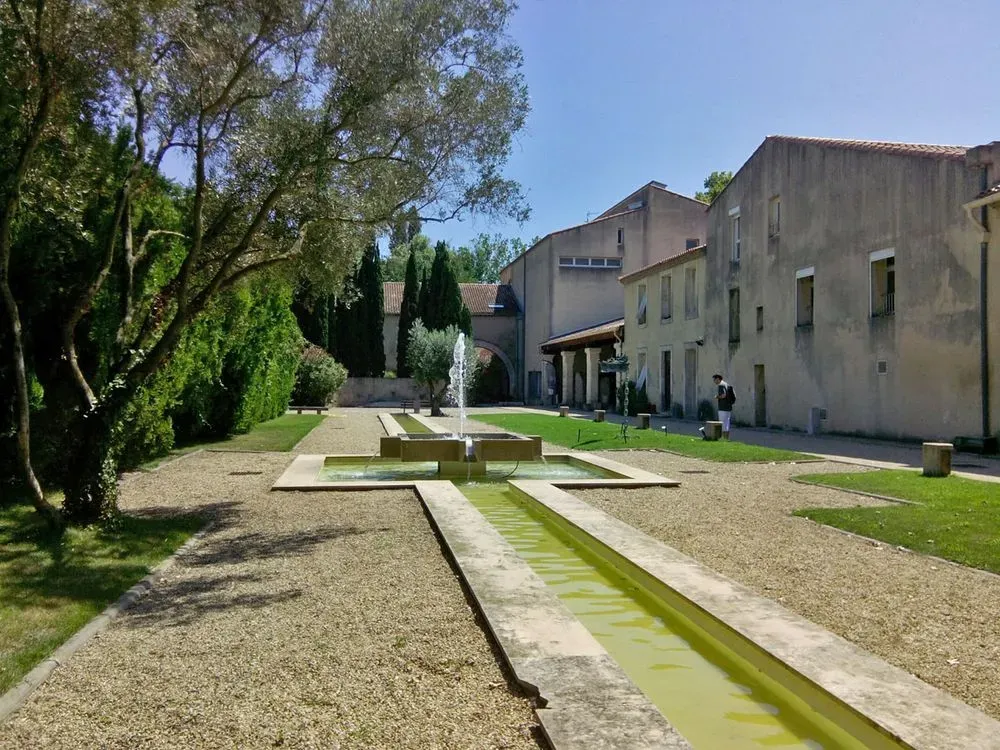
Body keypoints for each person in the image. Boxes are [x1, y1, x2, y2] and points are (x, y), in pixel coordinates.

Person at [713, 373, 735, 440]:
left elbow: (723, 395)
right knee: (726, 423)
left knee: (722, 423)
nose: (714, 381)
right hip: (728, 407)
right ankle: (726, 438)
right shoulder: (726, 384)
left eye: (714, 379)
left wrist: (717, 397)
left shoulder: (721, 385)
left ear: (718, 379)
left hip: (723, 407)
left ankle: (723, 438)